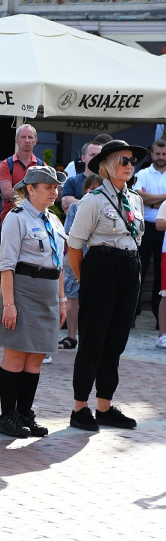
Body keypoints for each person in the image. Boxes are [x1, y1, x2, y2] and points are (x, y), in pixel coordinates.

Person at [67, 139, 145, 432]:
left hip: (129, 266)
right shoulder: (93, 200)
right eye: (123, 160)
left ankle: (105, 405)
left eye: (131, 161)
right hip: (101, 266)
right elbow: (74, 246)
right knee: (92, 341)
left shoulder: (134, 199)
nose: (129, 165)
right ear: (108, 166)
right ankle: (79, 407)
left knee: (116, 342)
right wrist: (85, 280)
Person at [0, 166, 67, 437]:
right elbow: (6, 265)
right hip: (22, 290)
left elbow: (58, 263)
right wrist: (9, 305)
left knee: (35, 358)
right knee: (15, 355)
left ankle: (25, 413)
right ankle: (7, 415)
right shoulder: (16, 218)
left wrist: (62, 300)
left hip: (48, 292)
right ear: (30, 189)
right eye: (48, 188)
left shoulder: (54, 221)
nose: (54, 193)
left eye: (56, 188)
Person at [61, 175, 101, 351]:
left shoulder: (106, 209)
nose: (93, 192)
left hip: (98, 261)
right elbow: (69, 232)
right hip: (76, 259)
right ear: (85, 190)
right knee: (72, 297)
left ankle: (90, 337)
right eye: (90, 189)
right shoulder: (76, 208)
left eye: (97, 189)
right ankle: (71, 335)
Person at [134, 140, 166, 323]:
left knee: (162, 274)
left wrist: (151, 201)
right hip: (144, 228)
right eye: (158, 153)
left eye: (164, 154)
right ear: (151, 154)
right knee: (140, 269)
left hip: (165, 229)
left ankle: (159, 318)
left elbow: (146, 199)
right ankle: (134, 313)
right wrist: (164, 200)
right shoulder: (143, 174)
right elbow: (138, 197)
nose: (161, 157)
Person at [0, 124, 42, 223]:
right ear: (16, 140)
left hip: (35, 220)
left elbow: (44, 194)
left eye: (30, 137)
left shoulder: (42, 166)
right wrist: (34, 194)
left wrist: (16, 193)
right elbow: (7, 194)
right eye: (23, 137)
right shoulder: (6, 164)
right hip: (10, 219)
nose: (27, 140)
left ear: (35, 141)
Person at [61, 141, 104, 209]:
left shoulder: (109, 182)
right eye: (92, 155)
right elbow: (68, 208)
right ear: (83, 158)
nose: (96, 158)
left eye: (99, 155)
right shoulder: (72, 181)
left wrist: (77, 202)